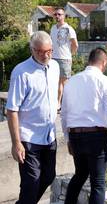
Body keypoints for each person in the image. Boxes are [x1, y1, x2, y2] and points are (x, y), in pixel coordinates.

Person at [61, 47, 107, 204]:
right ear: (104, 63)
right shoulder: (105, 81)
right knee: (98, 182)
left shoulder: (71, 81)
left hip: (75, 135)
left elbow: (64, 114)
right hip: (96, 136)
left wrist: (67, 139)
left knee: (80, 175)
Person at [6, 31, 60, 204]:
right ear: (32, 49)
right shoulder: (21, 72)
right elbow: (12, 109)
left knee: (49, 176)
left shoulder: (55, 67)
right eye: (41, 51)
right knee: (31, 183)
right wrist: (16, 143)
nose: (46, 55)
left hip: (49, 135)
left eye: (49, 51)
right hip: (28, 137)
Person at [50, 8, 78, 107]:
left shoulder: (68, 28)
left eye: (59, 14)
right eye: (55, 14)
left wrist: (71, 54)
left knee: (63, 83)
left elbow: (75, 44)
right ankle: (58, 103)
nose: (57, 16)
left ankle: (61, 104)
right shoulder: (53, 28)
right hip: (53, 58)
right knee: (55, 82)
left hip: (64, 58)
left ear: (64, 16)